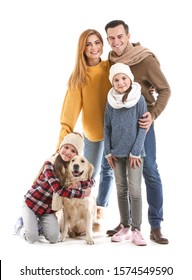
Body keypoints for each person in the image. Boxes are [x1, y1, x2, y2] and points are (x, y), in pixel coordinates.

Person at [104, 20, 171, 244]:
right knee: (123, 179)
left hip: (142, 125)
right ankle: (127, 223)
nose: (116, 42)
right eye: (111, 38)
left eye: (120, 36)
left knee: (149, 170)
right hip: (121, 127)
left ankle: (155, 225)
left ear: (128, 35)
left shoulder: (145, 59)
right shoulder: (111, 61)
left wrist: (153, 114)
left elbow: (164, 89)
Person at [56, 29, 114, 215]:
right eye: (88, 44)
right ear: (82, 48)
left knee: (109, 173)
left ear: (102, 45)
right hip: (93, 134)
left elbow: (130, 78)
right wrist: (61, 144)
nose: (93, 47)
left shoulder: (110, 66)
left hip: (115, 132)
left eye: (97, 42)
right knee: (89, 173)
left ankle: (99, 211)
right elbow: (68, 115)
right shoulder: (79, 78)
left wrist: (149, 88)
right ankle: (77, 212)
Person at [14, 132, 94, 244]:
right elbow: (58, 190)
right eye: (66, 147)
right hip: (32, 203)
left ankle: (37, 225)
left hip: (47, 209)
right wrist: (82, 193)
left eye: (73, 151)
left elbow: (87, 179)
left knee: (53, 238)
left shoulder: (71, 167)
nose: (68, 152)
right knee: (32, 238)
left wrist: (85, 185)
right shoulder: (49, 164)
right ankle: (19, 225)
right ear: (61, 147)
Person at [104, 63, 147, 245]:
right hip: (116, 153)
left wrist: (136, 152)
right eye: (116, 79)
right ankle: (125, 226)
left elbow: (143, 128)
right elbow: (106, 127)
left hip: (135, 155)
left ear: (130, 79)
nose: (120, 82)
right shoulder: (110, 101)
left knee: (135, 191)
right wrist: (107, 152)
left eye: (123, 78)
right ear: (112, 82)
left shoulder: (139, 99)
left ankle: (137, 229)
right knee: (121, 190)